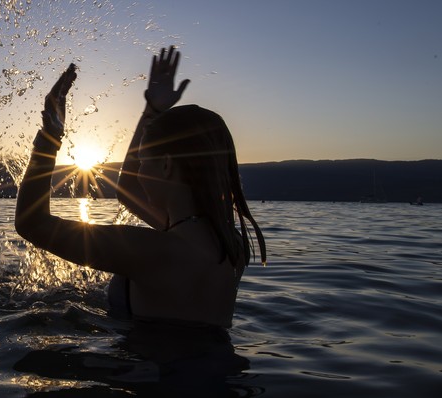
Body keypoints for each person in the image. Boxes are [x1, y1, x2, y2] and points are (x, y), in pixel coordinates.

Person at [15, 47, 265, 329]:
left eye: (144, 161)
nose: (139, 173)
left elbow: (31, 223)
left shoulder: (152, 251)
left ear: (167, 166)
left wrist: (50, 137)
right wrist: (153, 111)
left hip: (150, 369)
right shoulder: (232, 247)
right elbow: (128, 190)